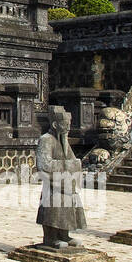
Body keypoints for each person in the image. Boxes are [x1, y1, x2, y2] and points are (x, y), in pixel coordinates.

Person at [36, 106, 86, 248]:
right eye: (65, 125)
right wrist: (68, 166)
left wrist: (71, 167)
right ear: (55, 124)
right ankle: (51, 238)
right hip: (53, 185)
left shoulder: (64, 141)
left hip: (66, 184)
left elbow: (74, 161)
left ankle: (64, 234)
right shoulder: (46, 140)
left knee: (67, 208)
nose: (68, 128)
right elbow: (44, 165)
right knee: (53, 210)